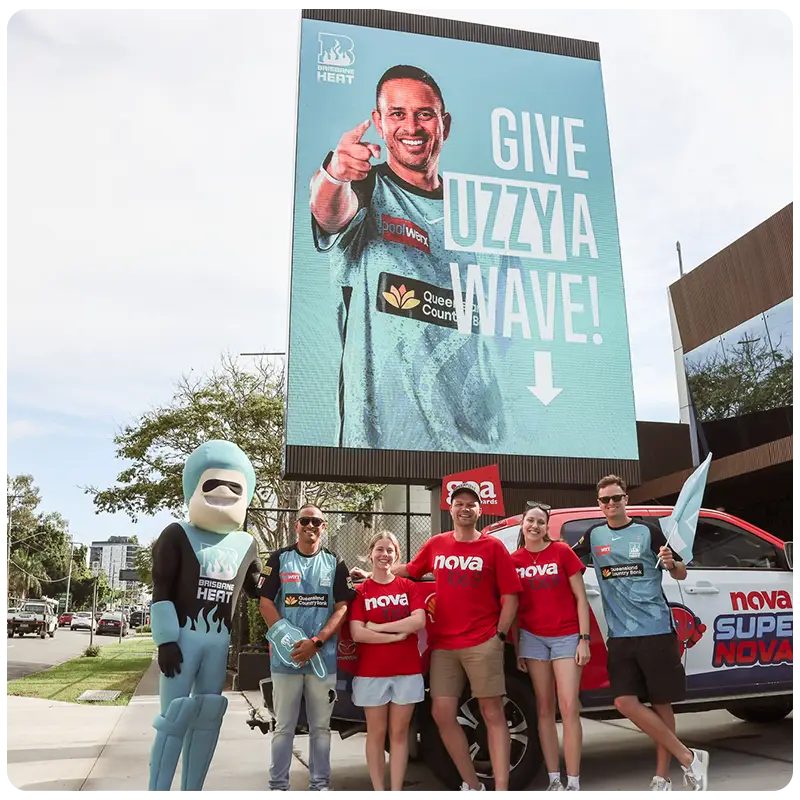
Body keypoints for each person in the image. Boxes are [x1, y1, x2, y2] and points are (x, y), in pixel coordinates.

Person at [308, 64, 506, 452]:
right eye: (398, 114)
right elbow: (329, 213)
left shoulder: (478, 214)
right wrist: (334, 174)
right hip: (383, 440)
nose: (411, 127)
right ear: (379, 123)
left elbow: (505, 328)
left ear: (443, 124)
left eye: (424, 114)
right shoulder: (365, 184)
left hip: (475, 445)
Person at [353, 481, 522, 792]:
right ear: (451, 508)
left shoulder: (493, 547)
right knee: (442, 714)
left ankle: (500, 789)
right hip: (444, 645)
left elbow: (511, 595)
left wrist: (499, 635)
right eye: (459, 503)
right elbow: (411, 570)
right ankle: (472, 784)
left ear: (479, 510)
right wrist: (373, 575)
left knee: (492, 712)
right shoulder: (437, 544)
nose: (465, 508)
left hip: (483, 641)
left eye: (471, 503)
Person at [580, 476, 709, 792]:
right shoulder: (593, 536)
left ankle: (662, 777)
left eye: (616, 498)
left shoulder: (648, 532)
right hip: (620, 636)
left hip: (656, 631)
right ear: (599, 504)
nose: (611, 504)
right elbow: (565, 562)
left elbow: (681, 571)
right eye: (605, 500)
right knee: (624, 702)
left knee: (661, 705)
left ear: (626, 499)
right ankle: (690, 757)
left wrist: (670, 562)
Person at [258, 505, 357, 792]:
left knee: (321, 729)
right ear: (295, 525)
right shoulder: (279, 559)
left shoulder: (335, 562)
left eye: (316, 521)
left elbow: (342, 608)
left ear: (323, 527)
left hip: (322, 660)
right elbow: (265, 602)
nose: (310, 525)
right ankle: (278, 786)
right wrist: (287, 640)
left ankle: (320, 786)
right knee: (283, 727)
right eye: (305, 520)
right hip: (285, 660)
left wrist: (316, 643)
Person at [511, 502, 591, 792]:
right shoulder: (514, 560)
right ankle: (554, 779)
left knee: (568, 707)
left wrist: (584, 639)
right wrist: (518, 645)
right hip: (532, 639)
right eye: (530, 521)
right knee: (544, 709)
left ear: (547, 527)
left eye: (540, 522)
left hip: (567, 637)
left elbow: (581, 598)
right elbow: (514, 607)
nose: (534, 526)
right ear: (523, 524)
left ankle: (574, 781)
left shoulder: (561, 552)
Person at [348, 531, 427, 792]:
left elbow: (418, 621)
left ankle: (396, 792)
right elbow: (358, 633)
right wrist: (396, 637)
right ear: (370, 553)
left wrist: (380, 629)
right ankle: (379, 791)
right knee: (376, 733)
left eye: (390, 550)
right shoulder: (362, 591)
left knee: (400, 734)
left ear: (397, 555)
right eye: (379, 549)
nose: (384, 554)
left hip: (406, 671)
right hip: (372, 673)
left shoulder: (408, 587)